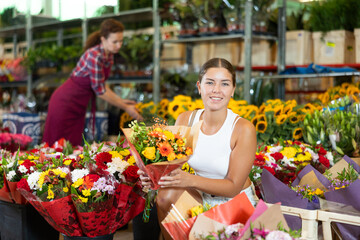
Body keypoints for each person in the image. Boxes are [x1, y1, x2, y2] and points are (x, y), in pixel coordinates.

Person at [138, 57, 258, 240]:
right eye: (210, 83)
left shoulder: (242, 129)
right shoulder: (186, 120)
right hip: (201, 196)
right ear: (199, 86)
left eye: (224, 84)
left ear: (233, 89)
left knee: (176, 191)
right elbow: (172, 168)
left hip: (234, 202)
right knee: (164, 195)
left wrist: (190, 180)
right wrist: (153, 176)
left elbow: (233, 187)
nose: (216, 90)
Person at [43, 19, 142, 146]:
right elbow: (100, 92)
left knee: (72, 146)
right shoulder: (94, 56)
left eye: (121, 41)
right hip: (65, 103)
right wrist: (125, 107)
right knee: (57, 146)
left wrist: (121, 101)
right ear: (103, 39)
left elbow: (102, 84)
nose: (119, 45)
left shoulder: (108, 55)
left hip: (78, 105)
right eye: (115, 42)